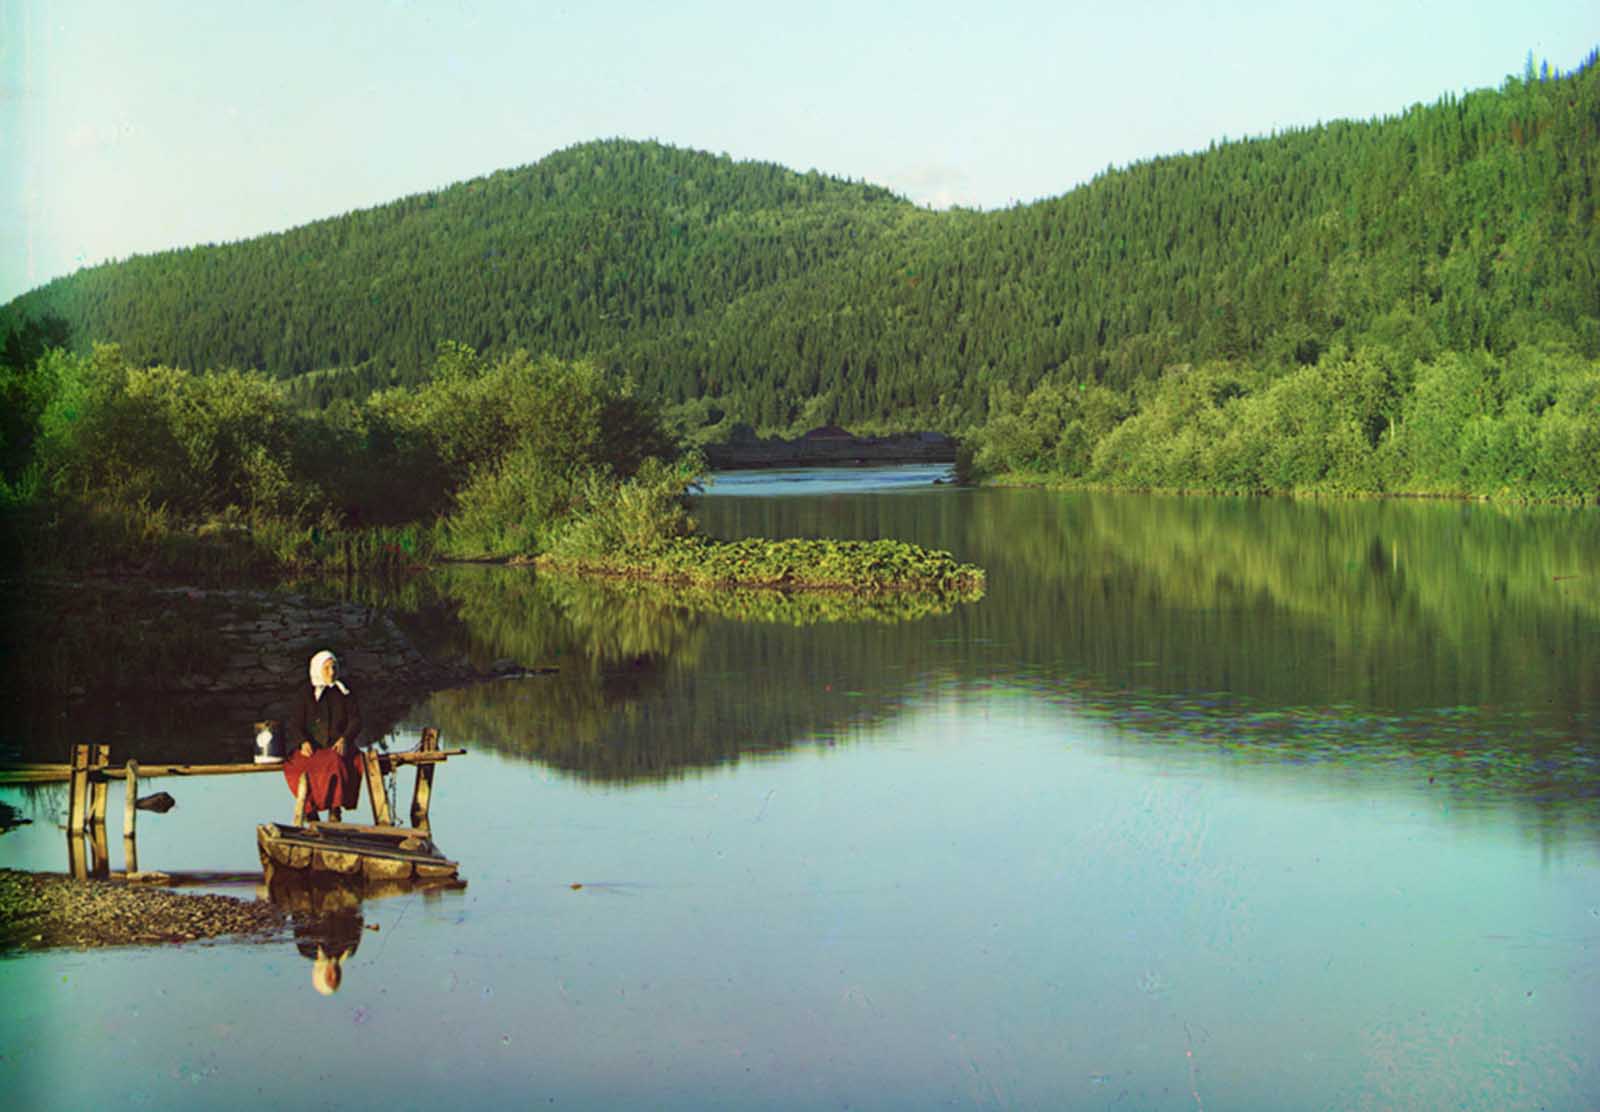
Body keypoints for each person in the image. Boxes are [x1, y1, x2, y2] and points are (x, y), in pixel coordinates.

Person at [282, 650, 364, 822]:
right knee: (298, 768)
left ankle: (335, 810)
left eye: (334, 667)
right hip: (311, 748)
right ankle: (311, 812)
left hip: (336, 745)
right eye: (326, 668)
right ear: (317, 669)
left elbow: (355, 721)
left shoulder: (344, 692)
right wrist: (302, 742)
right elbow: (294, 723)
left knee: (336, 762)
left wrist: (345, 739)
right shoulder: (305, 694)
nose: (332, 672)